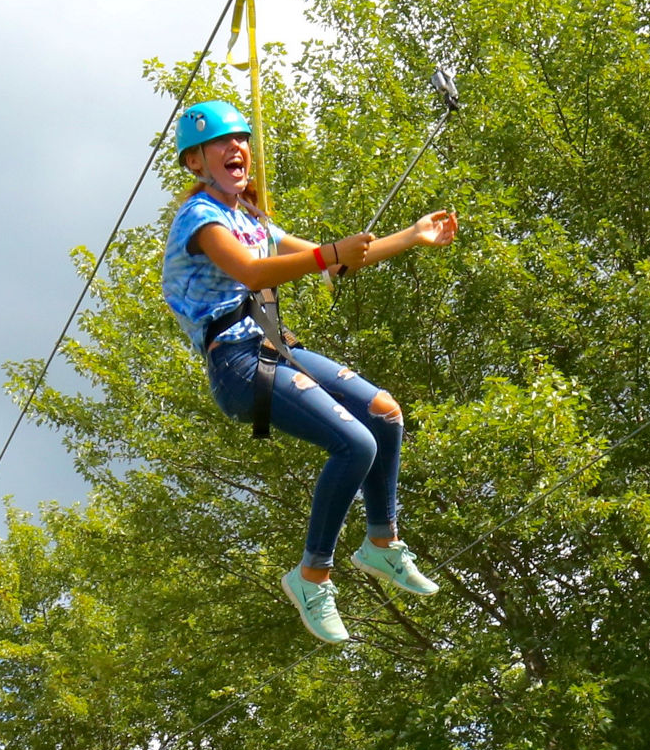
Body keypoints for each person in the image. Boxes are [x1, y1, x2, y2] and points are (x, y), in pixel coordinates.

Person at [160, 99, 458, 644]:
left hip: (273, 349)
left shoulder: (251, 219)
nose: (235, 149)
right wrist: (326, 255)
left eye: (240, 140)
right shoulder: (200, 219)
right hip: (238, 364)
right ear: (195, 162)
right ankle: (311, 576)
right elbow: (252, 271)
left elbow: (340, 259)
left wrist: (410, 236)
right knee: (356, 445)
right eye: (220, 144)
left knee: (384, 414)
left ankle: (381, 543)